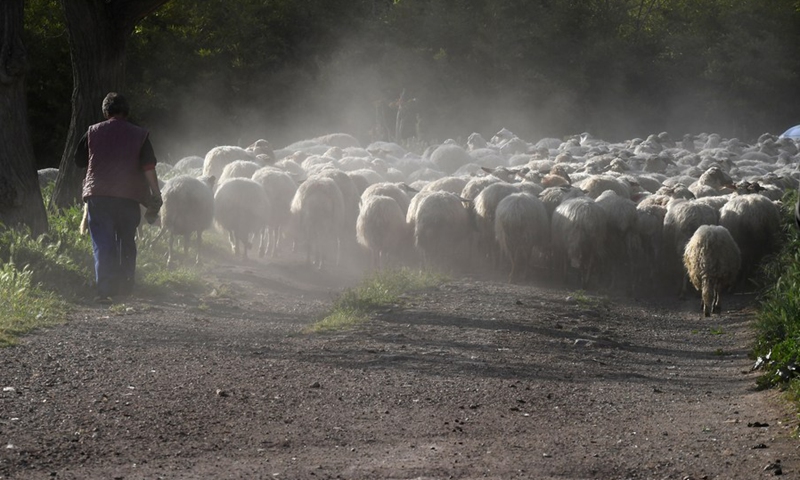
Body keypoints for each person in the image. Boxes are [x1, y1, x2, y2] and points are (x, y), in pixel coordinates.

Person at [74, 92, 162, 303]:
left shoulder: (92, 132)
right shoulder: (139, 135)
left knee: (103, 242)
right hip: (128, 196)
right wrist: (156, 194)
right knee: (126, 240)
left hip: (99, 196)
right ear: (127, 112)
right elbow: (148, 166)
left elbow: (78, 161)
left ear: (105, 112)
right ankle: (125, 287)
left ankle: (105, 290)